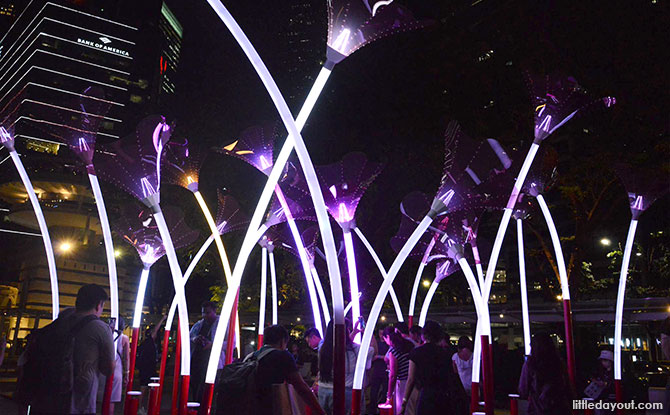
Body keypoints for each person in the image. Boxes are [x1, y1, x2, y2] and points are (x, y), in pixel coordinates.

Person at [32, 284, 115, 414]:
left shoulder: (60, 321)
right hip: (80, 400)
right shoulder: (100, 328)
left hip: (49, 393)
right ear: (99, 305)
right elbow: (109, 369)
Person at [254, 325, 325, 415]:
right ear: (282, 342)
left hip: (250, 408)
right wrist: (320, 411)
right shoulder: (282, 356)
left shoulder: (252, 356)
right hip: (271, 408)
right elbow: (301, 387)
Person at [401, 321, 466, 415]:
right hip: (443, 397)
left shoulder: (416, 353)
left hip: (425, 395)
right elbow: (452, 375)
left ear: (423, 335)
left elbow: (411, 379)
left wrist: (404, 402)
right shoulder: (446, 353)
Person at [318, 320, 375, 414]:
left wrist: (354, 332)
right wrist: (365, 329)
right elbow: (373, 349)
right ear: (346, 332)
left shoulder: (322, 348)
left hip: (324, 391)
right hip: (346, 392)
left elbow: (340, 342)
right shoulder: (355, 350)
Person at [518, 333, 571, 415]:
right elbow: (567, 385)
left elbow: (523, 389)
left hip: (538, 408)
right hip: (560, 407)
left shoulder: (531, 363)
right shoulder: (558, 362)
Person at [190, 301, 226, 401]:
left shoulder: (223, 324)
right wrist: (195, 339)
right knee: (195, 385)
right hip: (197, 360)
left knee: (207, 388)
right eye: (203, 312)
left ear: (215, 311)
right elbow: (189, 337)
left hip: (212, 361)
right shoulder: (199, 324)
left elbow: (232, 343)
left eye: (208, 312)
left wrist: (212, 345)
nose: (205, 315)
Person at [98, 317, 130, 414]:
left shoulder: (104, 336)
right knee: (111, 401)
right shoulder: (124, 338)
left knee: (100, 400)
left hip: (103, 370)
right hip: (117, 371)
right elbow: (126, 358)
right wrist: (127, 373)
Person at [383, 327, 415, 415]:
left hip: (403, 383)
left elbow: (393, 375)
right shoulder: (409, 345)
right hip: (415, 382)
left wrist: (388, 397)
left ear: (388, 338)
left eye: (385, 339)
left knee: (402, 410)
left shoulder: (394, 351)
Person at [136, 314, 167, 386]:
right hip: (146, 367)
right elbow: (155, 330)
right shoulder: (148, 341)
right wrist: (163, 319)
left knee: (152, 385)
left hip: (150, 366)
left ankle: (151, 396)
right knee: (145, 385)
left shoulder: (152, 343)